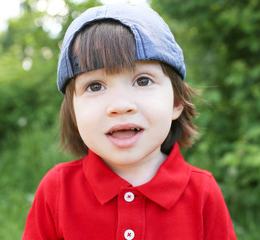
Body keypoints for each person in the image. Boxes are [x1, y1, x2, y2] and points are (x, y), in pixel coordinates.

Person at [22, 3, 237, 240]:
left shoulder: (202, 192)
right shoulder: (57, 190)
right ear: (73, 110)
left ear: (176, 102)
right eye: (95, 86)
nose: (120, 105)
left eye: (142, 81)